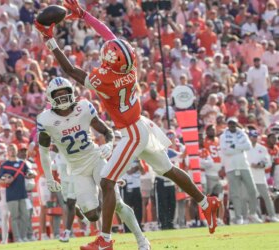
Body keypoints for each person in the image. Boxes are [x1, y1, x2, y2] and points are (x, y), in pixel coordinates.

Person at [35, 3, 220, 249]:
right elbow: (109, 36)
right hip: (140, 124)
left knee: (107, 182)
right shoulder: (128, 62)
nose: (105, 52)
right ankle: (206, 202)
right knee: (169, 170)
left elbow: (70, 70)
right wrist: (84, 15)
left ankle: (105, 240)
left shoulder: (107, 80)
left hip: (131, 132)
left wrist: (50, 41)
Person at [37, 77, 150, 248]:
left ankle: (142, 241)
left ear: (72, 94)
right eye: (58, 95)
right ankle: (105, 191)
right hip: (77, 169)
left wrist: (109, 145)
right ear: (51, 97)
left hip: (96, 159)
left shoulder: (83, 107)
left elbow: (107, 131)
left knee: (118, 204)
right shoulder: (46, 120)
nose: (62, 98)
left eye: (65, 94)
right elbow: (44, 151)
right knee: (92, 215)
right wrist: (49, 178)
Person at [219, 118, 262, 224]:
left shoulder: (242, 134)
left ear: (236, 124)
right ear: (227, 125)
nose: (232, 125)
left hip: (244, 165)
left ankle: (252, 213)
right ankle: (239, 217)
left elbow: (248, 146)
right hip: (231, 167)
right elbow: (225, 150)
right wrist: (239, 148)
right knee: (235, 193)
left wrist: (234, 146)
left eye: (234, 123)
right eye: (230, 124)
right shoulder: (223, 136)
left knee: (252, 190)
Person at [0, 144, 35, 242]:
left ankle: (23, 236)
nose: (12, 151)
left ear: (16, 150)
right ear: (7, 151)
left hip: (23, 193)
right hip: (11, 194)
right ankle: (17, 238)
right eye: (10, 149)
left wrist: (31, 175)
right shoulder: (5, 165)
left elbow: (30, 173)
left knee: (25, 216)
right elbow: (0, 178)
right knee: (14, 217)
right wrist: (5, 180)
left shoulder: (22, 163)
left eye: (13, 149)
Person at [246, 130, 279, 222]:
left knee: (267, 197)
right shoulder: (245, 148)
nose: (254, 138)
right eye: (252, 136)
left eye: (256, 136)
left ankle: (272, 215)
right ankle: (252, 215)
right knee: (251, 197)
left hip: (260, 177)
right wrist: (251, 165)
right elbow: (243, 162)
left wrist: (261, 165)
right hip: (249, 177)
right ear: (249, 137)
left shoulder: (262, 148)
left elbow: (268, 162)